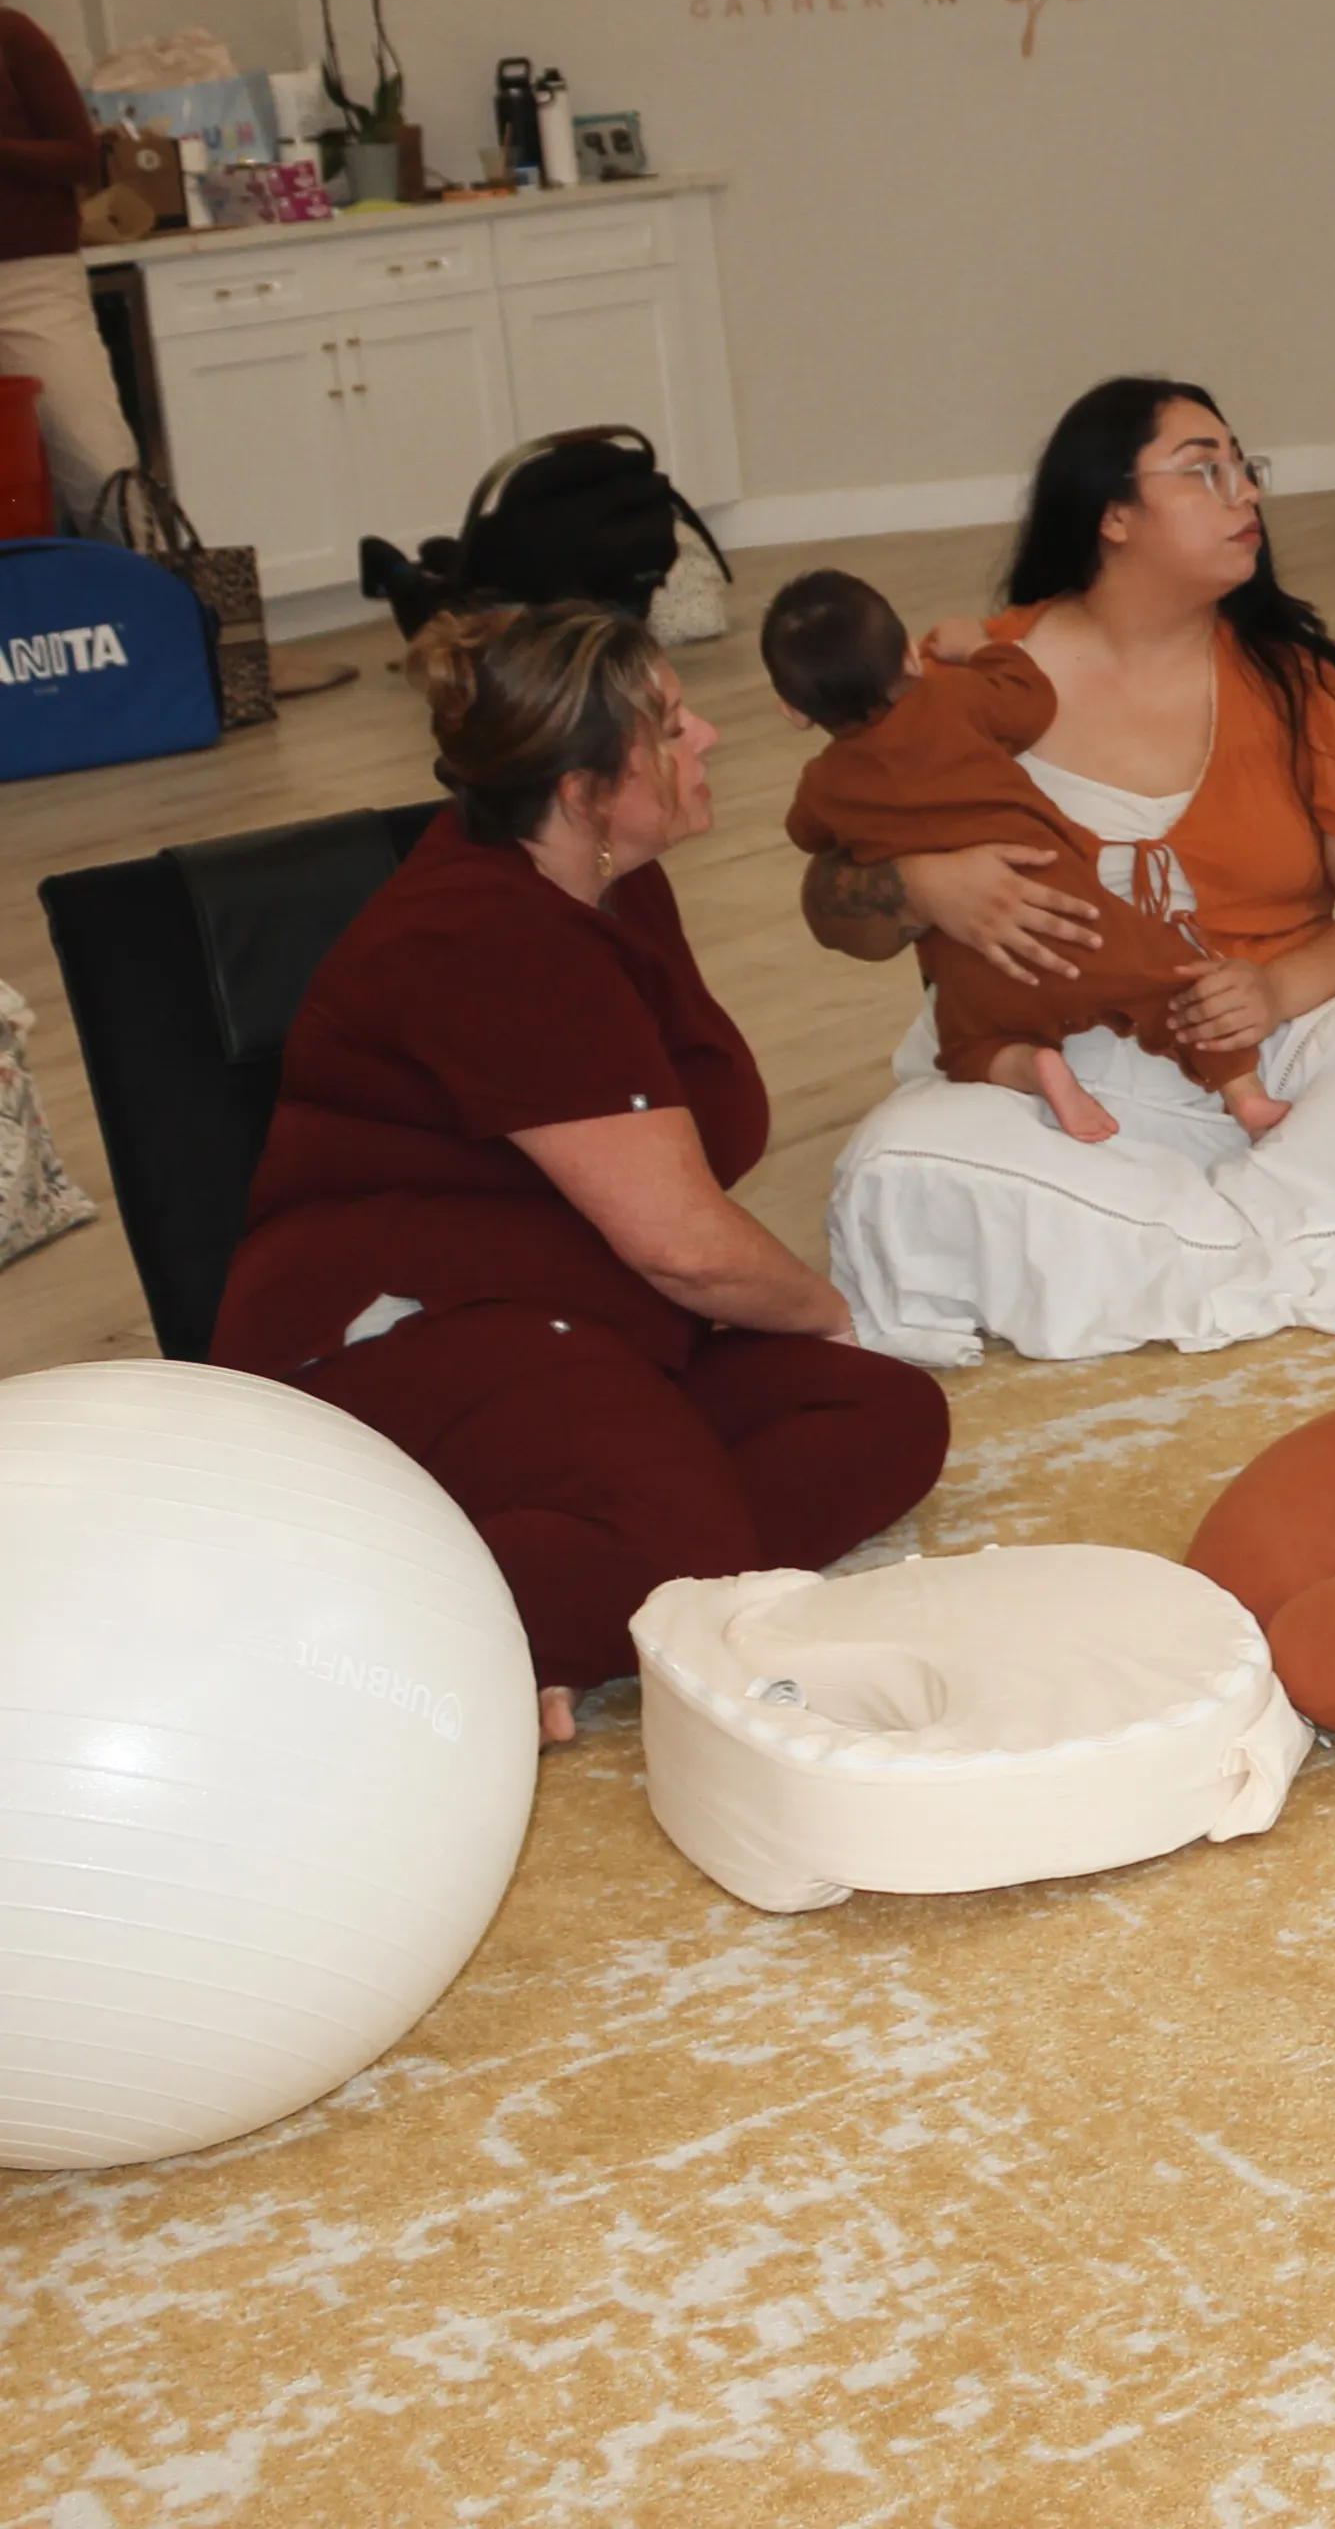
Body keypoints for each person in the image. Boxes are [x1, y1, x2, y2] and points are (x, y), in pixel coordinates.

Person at [219, 601, 948, 1746]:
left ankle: (536, 1600)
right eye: (668, 725)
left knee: (880, 1415)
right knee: (688, 1546)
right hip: (414, 1334)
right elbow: (684, 1246)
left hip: (583, 1320)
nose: (705, 734)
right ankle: (386, 1619)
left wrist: (826, 1349)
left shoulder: (613, 877)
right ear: (582, 793)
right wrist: (831, 1312)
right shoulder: (487, 940)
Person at [811, 377, 1335, 1365]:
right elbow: (832, 903)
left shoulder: (1299, 682)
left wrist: (1275, 989)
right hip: (1056, 1076)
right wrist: (920, 890)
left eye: (1243, 468)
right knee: (894, 1165)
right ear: (1114, 515)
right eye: (1204, 470)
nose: (1245, 494)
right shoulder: (970, 680)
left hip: (1272, 1057)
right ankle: (1287, 1244)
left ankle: (1163, 1251)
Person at [764, 565, 1290, 1149]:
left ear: (795, 710)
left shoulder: (824, 784)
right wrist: (984, 649)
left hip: (974, 962)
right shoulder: (952, 699)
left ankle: (1035, 1069)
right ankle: (1245, 1093)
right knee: (1172, 982)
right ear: (910, 660)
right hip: (1069, 914)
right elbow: (1029, 701)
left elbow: (807, 833)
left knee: (969, 1048)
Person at [0, 3, 143, 530]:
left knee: (96, 459)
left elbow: (80, 156)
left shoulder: (10, 33)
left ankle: (146, 598)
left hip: (28, 282)